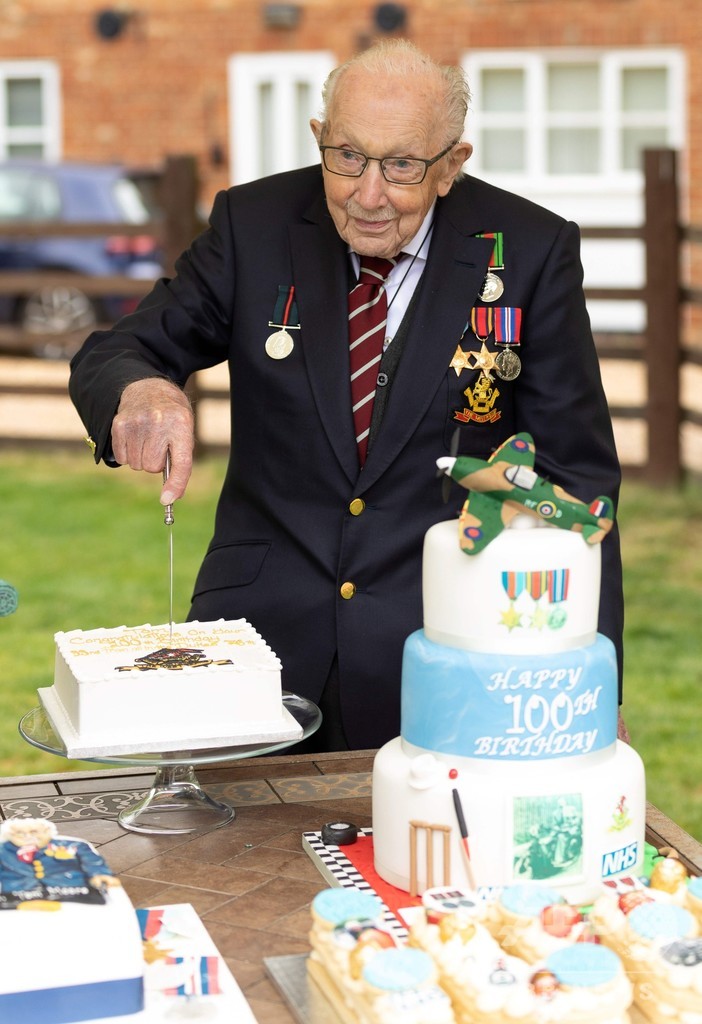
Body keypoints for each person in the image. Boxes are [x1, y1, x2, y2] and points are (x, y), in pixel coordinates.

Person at [69, 39, 624, 752]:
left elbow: (576, 480)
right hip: (259, 639)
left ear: (452, 164)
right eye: (348, 156)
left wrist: (592, 682)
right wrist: (142, 388)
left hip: (446, 645)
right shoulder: (253, 224)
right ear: (319, 138)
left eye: (402, 165)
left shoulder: (529, 249)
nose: (367, 194)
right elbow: (117, 351)